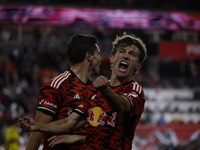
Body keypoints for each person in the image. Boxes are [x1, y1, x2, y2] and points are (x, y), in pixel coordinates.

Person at [19, 32, 147, 150]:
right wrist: (36, 126)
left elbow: (121, 106)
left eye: (132, 54)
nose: (101, 59)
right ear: (112, 58)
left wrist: (77, 138)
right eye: (122, 51)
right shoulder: (70, 87)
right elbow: (70, 123)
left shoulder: (133, 90)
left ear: (138, 65)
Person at [24, 34, 102, 150]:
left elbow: (99, 136)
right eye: (98, 54)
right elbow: (37, 132)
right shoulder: (57, 86)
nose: (101, 59)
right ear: (89, 56)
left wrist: (77, 138)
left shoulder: (97, 92)